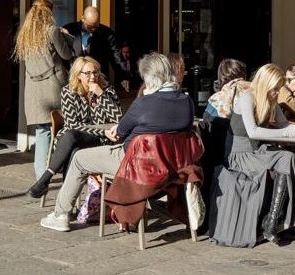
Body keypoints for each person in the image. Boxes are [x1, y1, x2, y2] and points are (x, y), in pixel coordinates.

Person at [39, 53, 194, 232]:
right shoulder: (186, 102)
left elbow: (121, 130)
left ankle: (60, 215)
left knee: (80, 158)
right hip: (175, 166)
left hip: (135, 163)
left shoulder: (143, 103)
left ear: (149, 78)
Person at [217, 64, 295, 245]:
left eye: (279, 89)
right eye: (275, 89)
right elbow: (253, 132)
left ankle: (272, 220)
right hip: (239, 155)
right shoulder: (247, 98)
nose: (277, 93)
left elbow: (283, 125)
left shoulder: (270, 100)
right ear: (265, 85)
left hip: (256, 151)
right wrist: (287, 132)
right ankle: (274, 221)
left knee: (289, 158)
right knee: (284, 160)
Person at [27, 56, 123, 198]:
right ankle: (64, 203)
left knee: (73, 143)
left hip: (100, 140)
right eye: (88, 73)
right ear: (78, 75)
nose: (93, 76)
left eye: (95, 72)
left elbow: (118, 119)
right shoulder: (68, 92)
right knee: (74, 144)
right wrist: (102, 130)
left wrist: (101, 95)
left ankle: (47, 181)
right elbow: (73, 125)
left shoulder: (107, 90)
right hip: (73, 138)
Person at [14, 0, 73, 179]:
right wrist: (67, 36)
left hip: (34, 90)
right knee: (66, 126)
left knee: (43, 130)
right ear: (49, 13)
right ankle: (64, 166)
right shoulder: (52, 31)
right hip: (54, 86)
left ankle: (41, 175)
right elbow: (66, 54)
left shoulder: (24, 35)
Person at [60, 7, 116, 83]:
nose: (93, 29)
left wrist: (123, 76)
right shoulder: (69, 29)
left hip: (97, 79)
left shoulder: (107, 33)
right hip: (74, 80)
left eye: (96, 26)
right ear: (83, 18)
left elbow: (115, 56)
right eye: (90, 26)